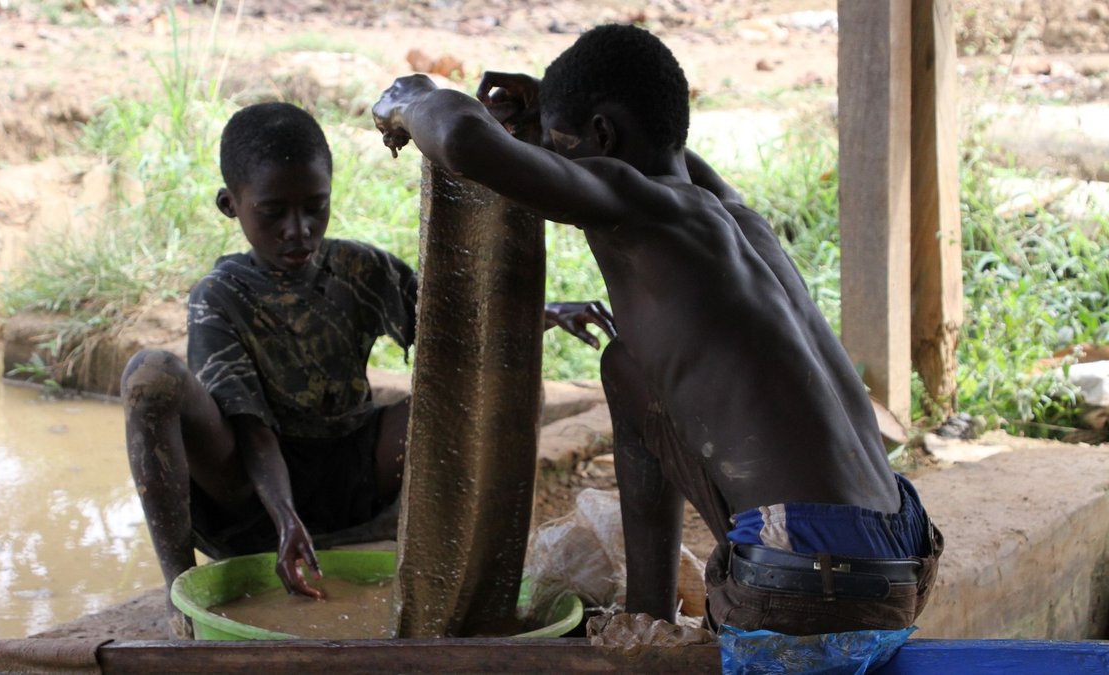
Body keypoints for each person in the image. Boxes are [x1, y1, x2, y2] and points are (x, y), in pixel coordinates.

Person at [373, 24, 942, 635]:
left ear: (603, 137)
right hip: (901, 548)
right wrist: (551, 110)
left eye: (561, 149)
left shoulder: (643, 205)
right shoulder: (733, 214)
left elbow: (462, 138)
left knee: (627, 364)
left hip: (808, 575)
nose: (551, 160)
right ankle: (650, 615)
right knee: (629, 367)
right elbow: (656, 144)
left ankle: (651, 614)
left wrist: (413, 94)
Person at [121, 101, 616, 637]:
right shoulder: (220, 297)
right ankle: (179, 594)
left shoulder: (361, 268)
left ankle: (463, 571)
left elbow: (455, 333)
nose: (298, 229)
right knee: (150, 374)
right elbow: (251, 429)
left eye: (315, 207)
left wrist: (540, 313)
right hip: (251, 488)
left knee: (469, 391)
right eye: (273, 212)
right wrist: (286, 518)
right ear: (230, 205)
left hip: (349, 474)